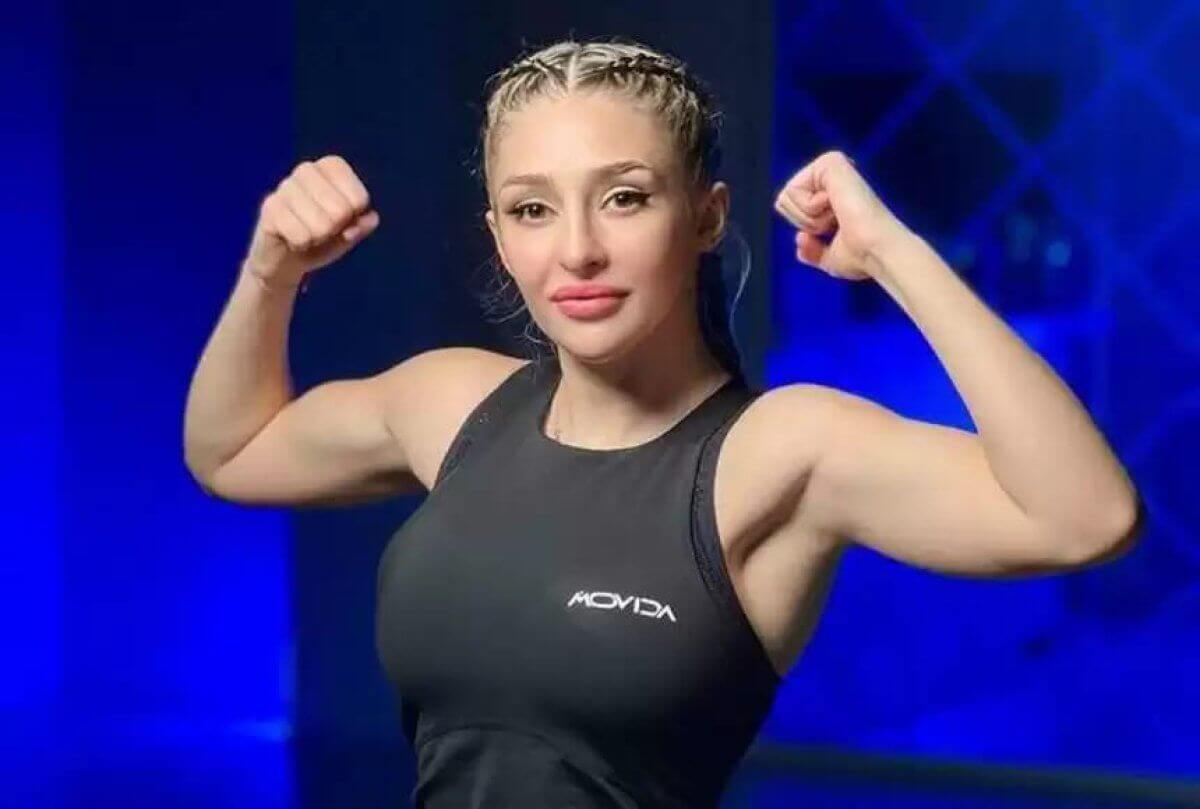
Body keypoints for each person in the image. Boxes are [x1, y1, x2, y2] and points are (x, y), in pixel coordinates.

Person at [183, 36, 1145, 808]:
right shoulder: (453, 404)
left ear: (707, 216)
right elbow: (233, 453)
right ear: (499, 239)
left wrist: (895, 253)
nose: (578, 250)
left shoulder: (778, 453)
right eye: (532, 209)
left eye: (625, 198)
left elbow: (1085, 517)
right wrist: (271, 270)